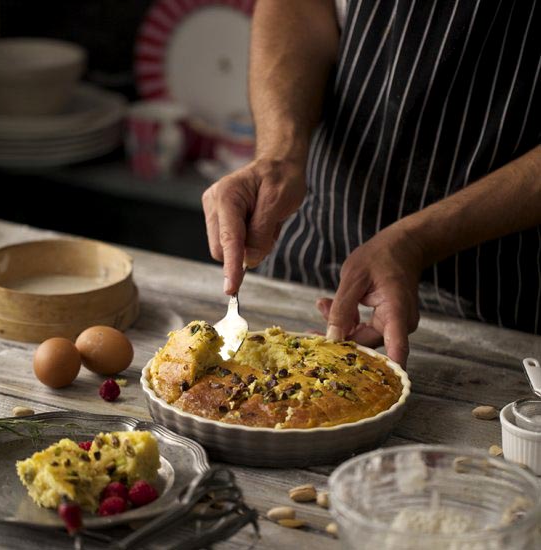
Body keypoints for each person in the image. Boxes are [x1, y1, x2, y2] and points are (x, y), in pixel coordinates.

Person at [202, 0, 541, 368]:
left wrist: (414, 241)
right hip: (309, 252)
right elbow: (298, 9)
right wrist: (280, 154)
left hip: (495, 308)